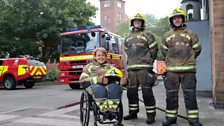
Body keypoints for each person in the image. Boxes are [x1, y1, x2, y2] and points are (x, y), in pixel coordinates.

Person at [160, 8, 202, 126]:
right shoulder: (167, 35)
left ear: (182, 19)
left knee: (190, 95)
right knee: (171, 95)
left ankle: (193, 119)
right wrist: (172, 60)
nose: (177, 20)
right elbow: (164, 51)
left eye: (179, 17)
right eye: (174, 18)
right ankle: (171, 118)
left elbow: (197, 49)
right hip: (172, 71)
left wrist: (189, 58)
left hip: (188, 70)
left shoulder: (191, 33)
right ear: (171, 21)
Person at [123, 13, 158, 124]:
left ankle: (151, 115)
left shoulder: (147, 34)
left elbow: (154, 50)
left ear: (142, 23)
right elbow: (127, 51)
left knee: (147, 92)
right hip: (132, 69)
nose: (137, 22)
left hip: (144, 69)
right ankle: (133, 113)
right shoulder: (128, 37)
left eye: (139, 21)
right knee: (131, 93)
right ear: (132, 23)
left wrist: (148, 61)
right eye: (135, 21)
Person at [79, 47, 126, 126]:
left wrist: (124, 81)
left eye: (103, 55)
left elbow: (118, 78)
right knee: (99, 89)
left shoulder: (111, 67)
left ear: (106, 56)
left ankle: (112, 111)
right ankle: (104, 111)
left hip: (109, 87)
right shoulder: (88, 67)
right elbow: (82, 80)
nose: (101, 57)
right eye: (99, 55)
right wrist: (99, 79)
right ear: (94, 57)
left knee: (115, 88)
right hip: (95, 86)